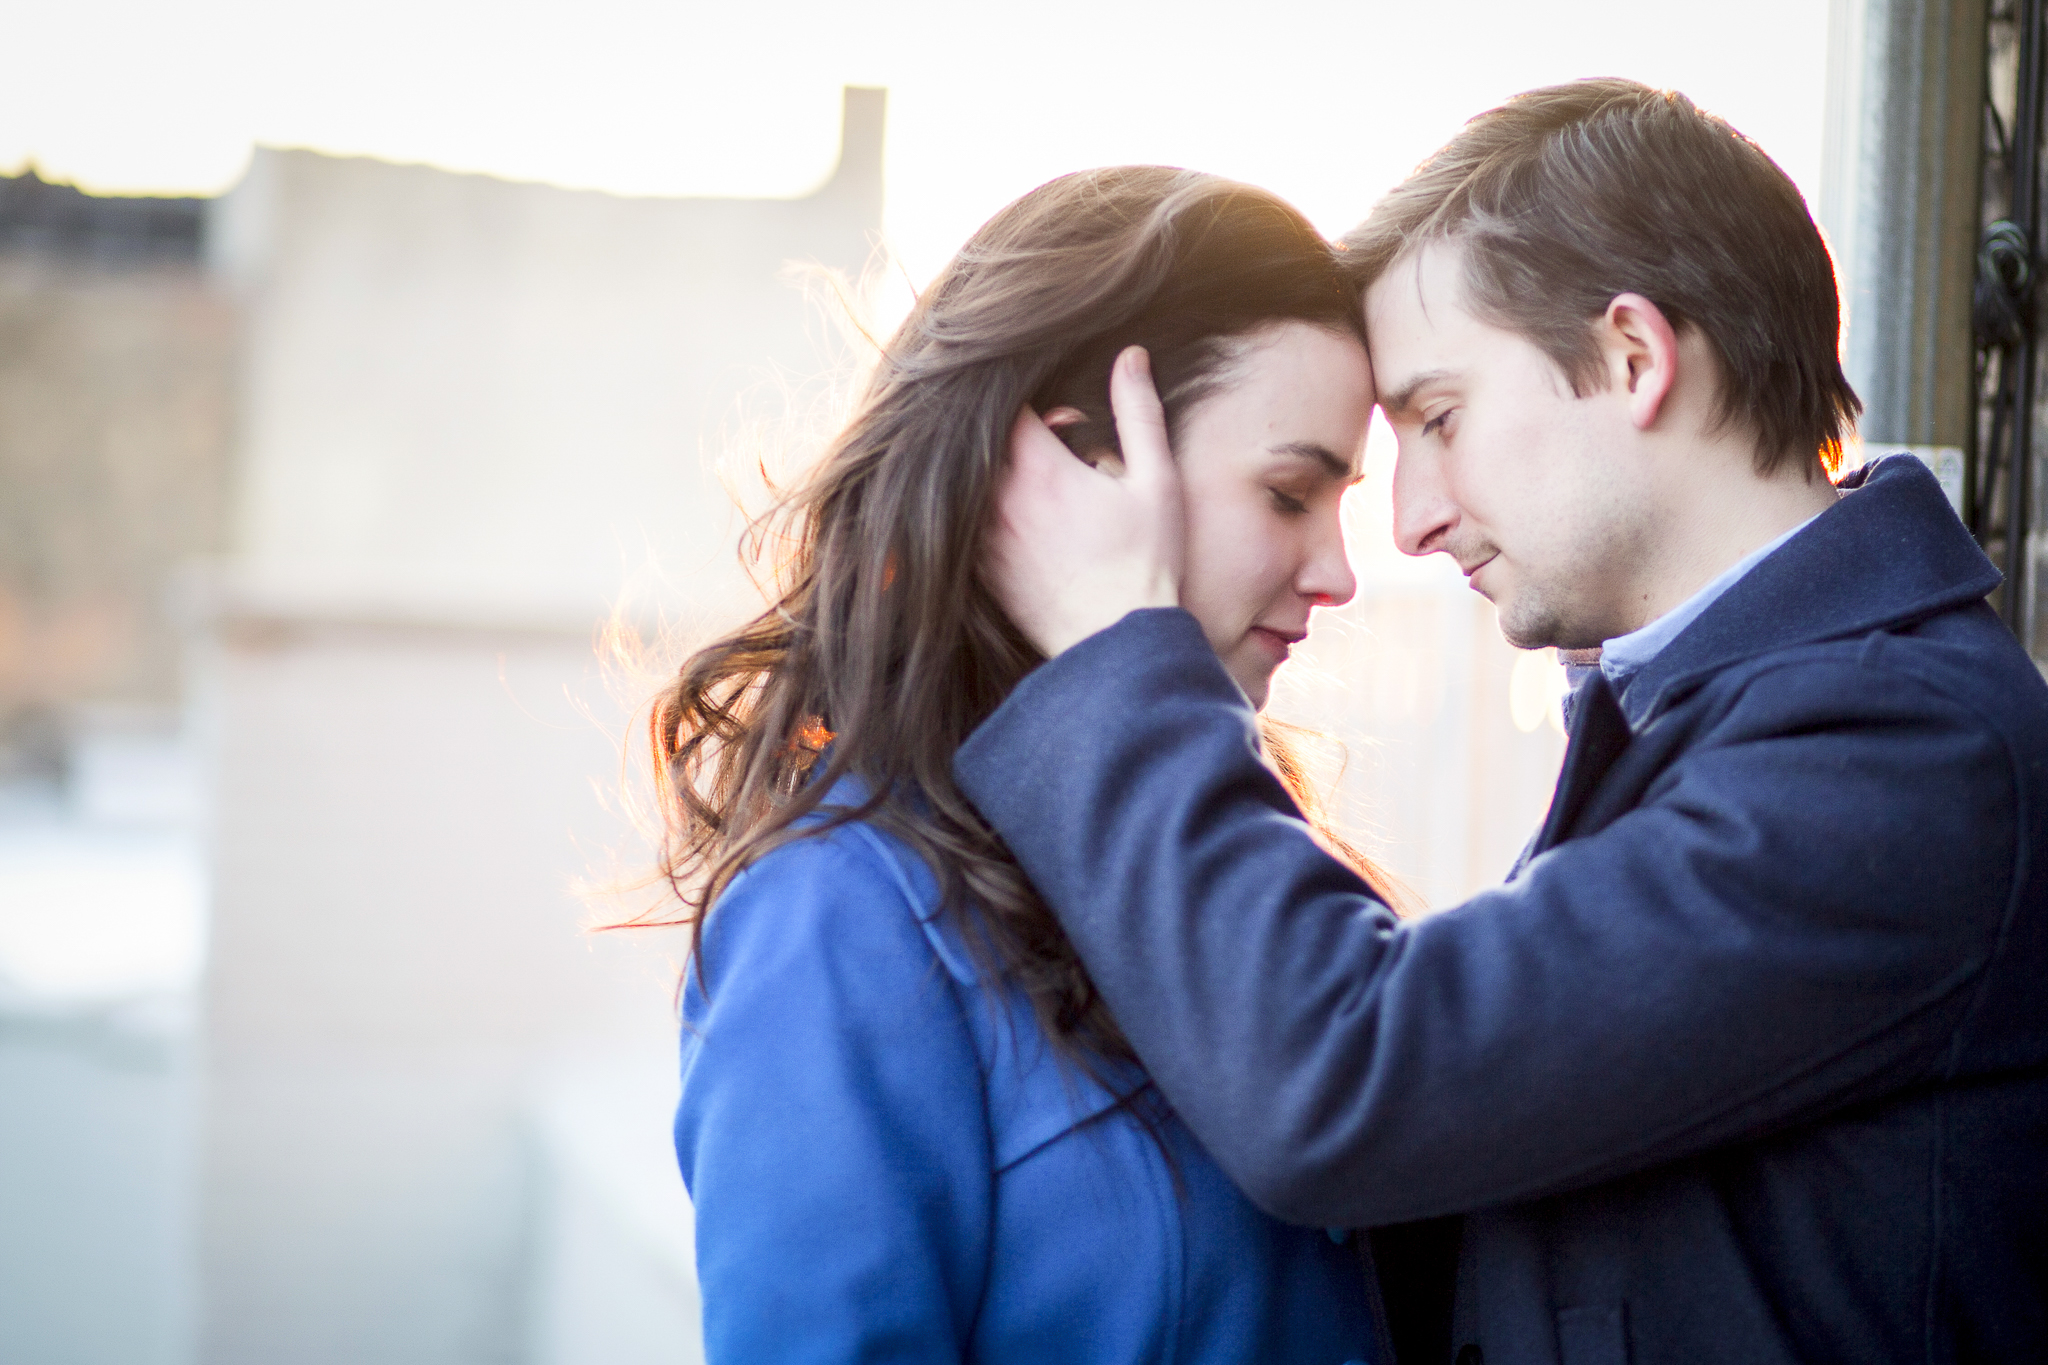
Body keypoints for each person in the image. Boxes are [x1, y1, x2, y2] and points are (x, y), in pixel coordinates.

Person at [959, 80, 2048, 1364]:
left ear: (1633, 357)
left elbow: (1344, 1081)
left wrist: (1111, 656)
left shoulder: (1906, 754)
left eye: (1439, 419)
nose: (1409, 519)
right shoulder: (1740, 716)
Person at [653, 166, 1392, 1362]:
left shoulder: (1230, 846)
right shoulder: (838, 917)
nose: (1337, 572)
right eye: (1288, 493)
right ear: (1075, 472)